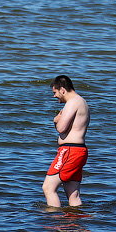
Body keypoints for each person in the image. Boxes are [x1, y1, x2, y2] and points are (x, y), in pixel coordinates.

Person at [43, 75, 89, 208]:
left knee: (48, 187)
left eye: (55, 92)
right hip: (79, 151)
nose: (54, 96)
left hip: (70, 151)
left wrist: (55, 120)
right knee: (73, 195)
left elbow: (62, 128)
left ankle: (55, 222)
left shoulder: (72, 102)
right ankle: (75, 226)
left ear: (62, 90)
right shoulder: (82, 102)